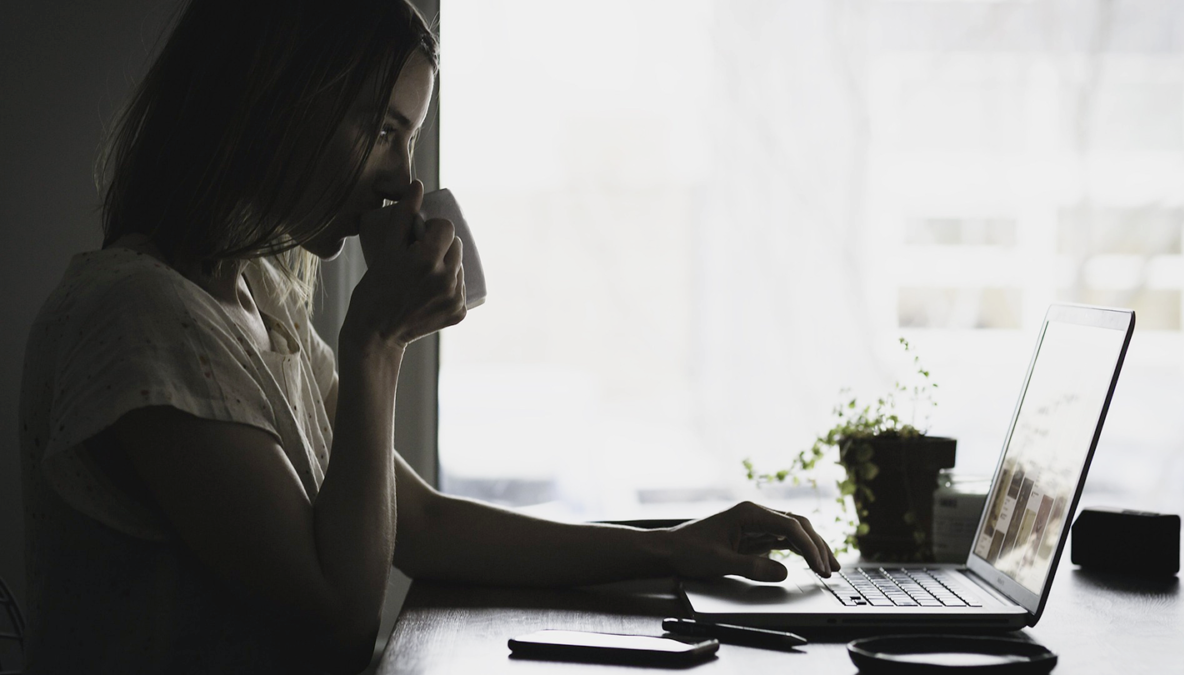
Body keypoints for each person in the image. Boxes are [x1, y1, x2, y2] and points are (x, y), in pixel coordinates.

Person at [17, 1, 839, 672]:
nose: (405, 176)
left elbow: (423, 524)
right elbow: (336, 618)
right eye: (382, 127)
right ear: (273, 104)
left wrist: (674, 545)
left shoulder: (257, 302)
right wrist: (377, 341)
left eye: (408, 136)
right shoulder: (139, 318)